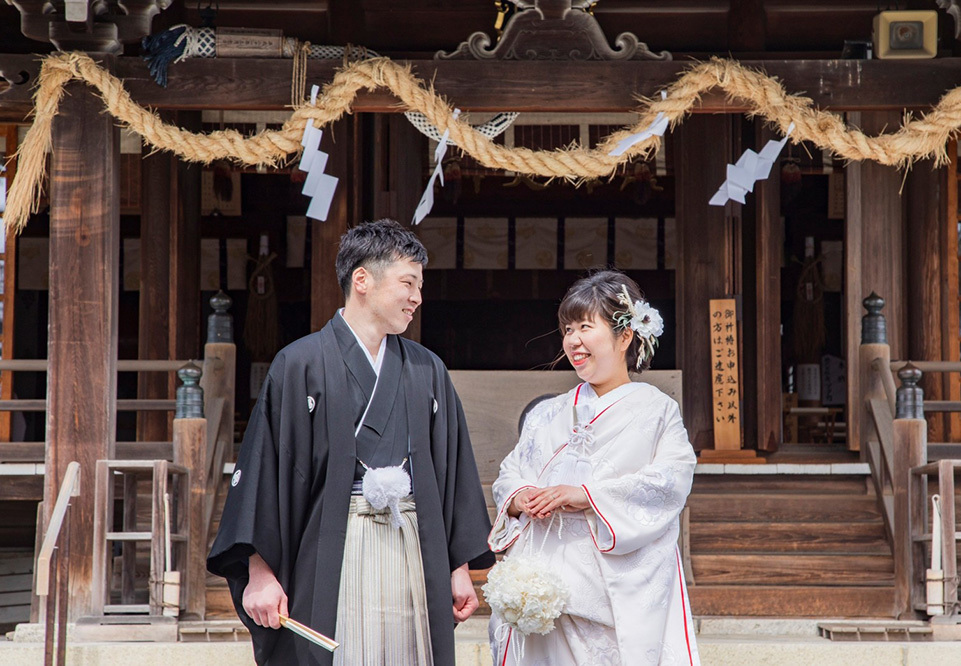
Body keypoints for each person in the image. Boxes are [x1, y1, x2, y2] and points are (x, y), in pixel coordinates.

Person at [208, 219, 495, 666]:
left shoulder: (427, 370)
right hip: (331, 551)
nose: (417, 297)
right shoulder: (299, 364)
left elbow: (450, 471)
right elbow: (265, 475)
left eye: (419, 285)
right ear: (362, 279)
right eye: (408, 283)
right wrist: (259, 573)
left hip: (412, 552)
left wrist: (458, 566)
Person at [488, 270, 700, 665]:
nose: (573, 340)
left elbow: (670, 481)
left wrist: (587, 496)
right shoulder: (547, 413)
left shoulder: (657, 411)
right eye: (568, 328)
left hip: (615, 589)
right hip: (545, 587)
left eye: (586, 326)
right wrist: (519, 498)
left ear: (625, 337)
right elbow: (510, 473)